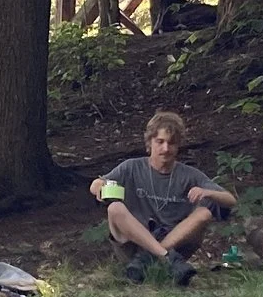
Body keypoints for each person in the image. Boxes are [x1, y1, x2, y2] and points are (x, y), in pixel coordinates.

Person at [90, 110, 237, 284]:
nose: (165, 149)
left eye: (171, 143)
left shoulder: (189, 174)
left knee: (204, 213)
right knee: (115, 208)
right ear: (150, 142)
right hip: (134, 246)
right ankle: (164, 257)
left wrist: (207, 192)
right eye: (160, 142)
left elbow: (230, 200)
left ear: (178, 146)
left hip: (175, 245)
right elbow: (96, 184)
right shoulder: (131, 167)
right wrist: (100, 188)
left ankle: (150, 257)